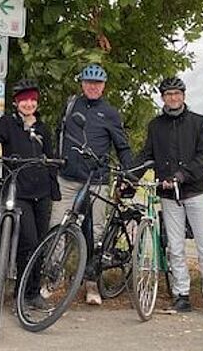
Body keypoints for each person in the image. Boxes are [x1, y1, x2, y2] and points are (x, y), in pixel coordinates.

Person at [140, 76, 203, 320]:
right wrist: (131, 174)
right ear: (163, 98)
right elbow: (147, 154)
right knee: (175, 248)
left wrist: (182, 175)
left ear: (184, 95)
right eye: (168, 94)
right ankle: (182, 295)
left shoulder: (199, 123)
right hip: (169, 195)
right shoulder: (155, 126)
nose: (173, 98)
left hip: (195, 192)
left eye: (177, 93)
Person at [0, 78, 60, 310]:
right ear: (16, 103)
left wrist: (54, 187)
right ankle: (21, 293)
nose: (28, 104)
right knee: (27, 242)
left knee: (40, 243)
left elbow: (50, 159)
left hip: (42, 192)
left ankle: (32, 293)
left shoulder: (43, 129)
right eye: (23, 100)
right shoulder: (8, 123)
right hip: (19, 190)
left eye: (32, 100)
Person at [50, 63, 134, 305]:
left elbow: (122, 146)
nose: (93, 87)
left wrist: (130, 172)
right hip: (67, 178)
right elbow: (60, 135)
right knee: (57, 227)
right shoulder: (70, 106)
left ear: (103, 87)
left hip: (96, 180)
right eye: (89, 83)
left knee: (94, 233)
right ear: (82, 84)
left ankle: (91, 282)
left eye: (97, 84)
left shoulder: (110, 113)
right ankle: (52, 278)